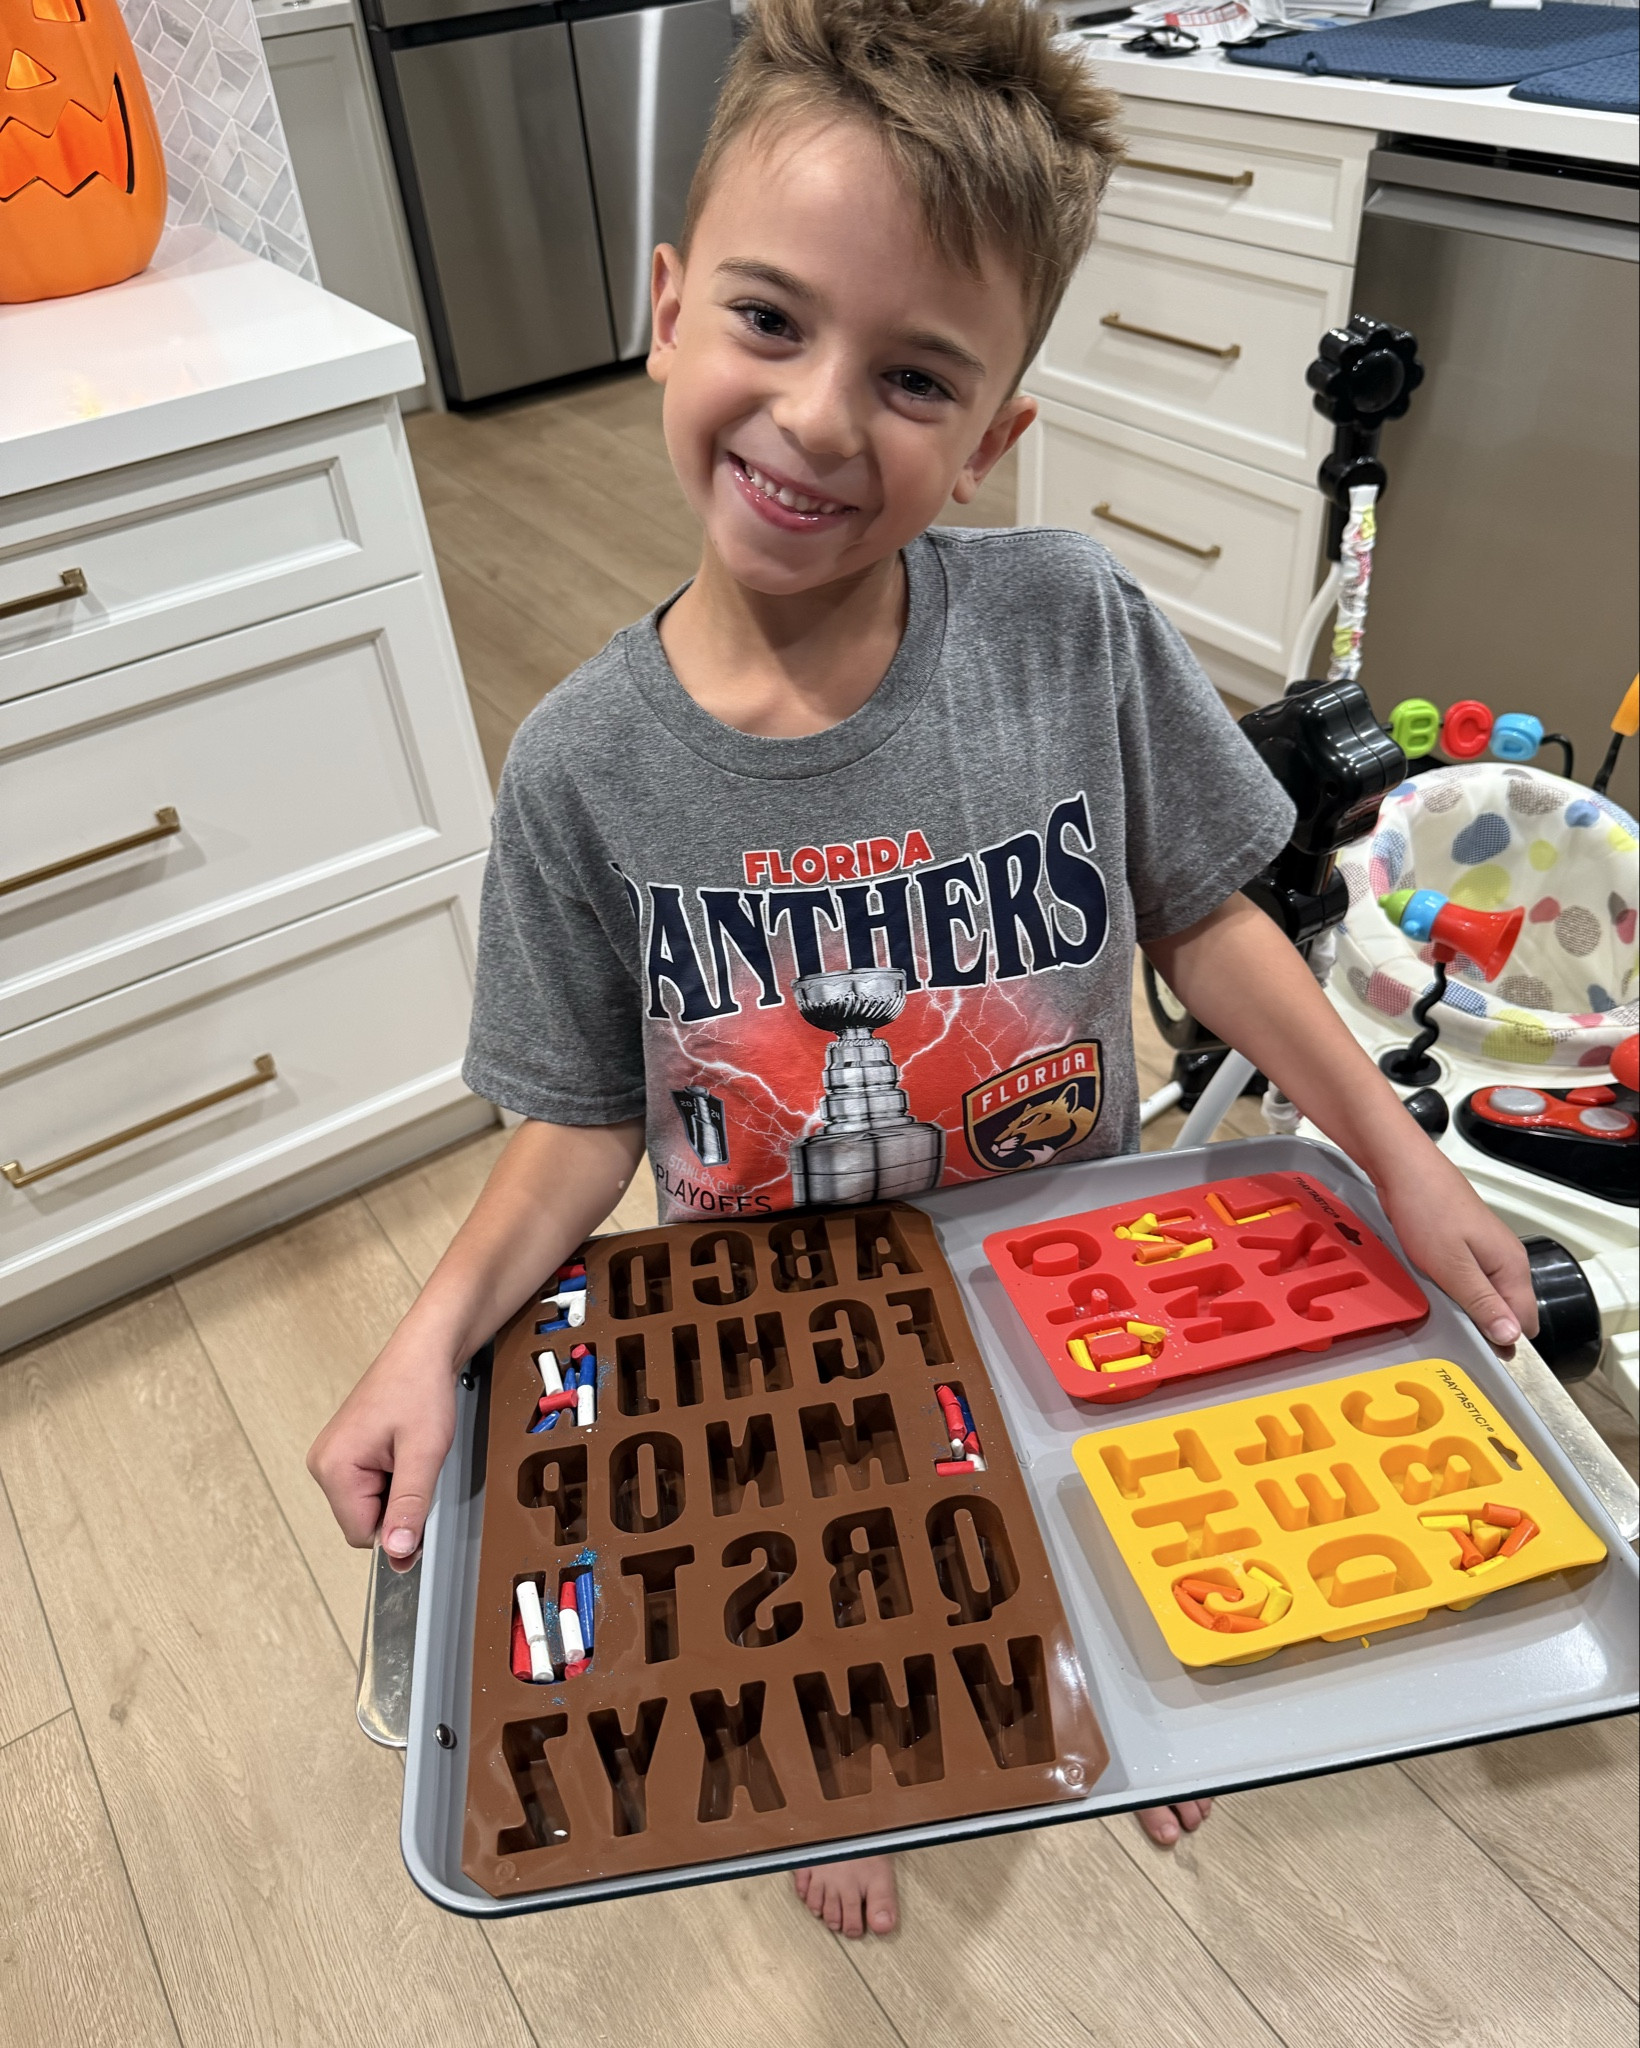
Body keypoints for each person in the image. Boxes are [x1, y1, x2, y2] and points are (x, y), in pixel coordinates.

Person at [308, 0, 1536, 1944]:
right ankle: (858, 1751)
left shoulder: (1070, 622)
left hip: (1079, 1279)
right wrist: (431, 1332)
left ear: (990, 439)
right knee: (844, 1613)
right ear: (668, 308)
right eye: (769, 319)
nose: (817, 418)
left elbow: (1204, 920)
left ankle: (1104, 1673)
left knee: (1090, 1559)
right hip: (789, 1341)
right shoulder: (580, 768)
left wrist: (1398, 1161)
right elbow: (581, 1121)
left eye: (911, 377)